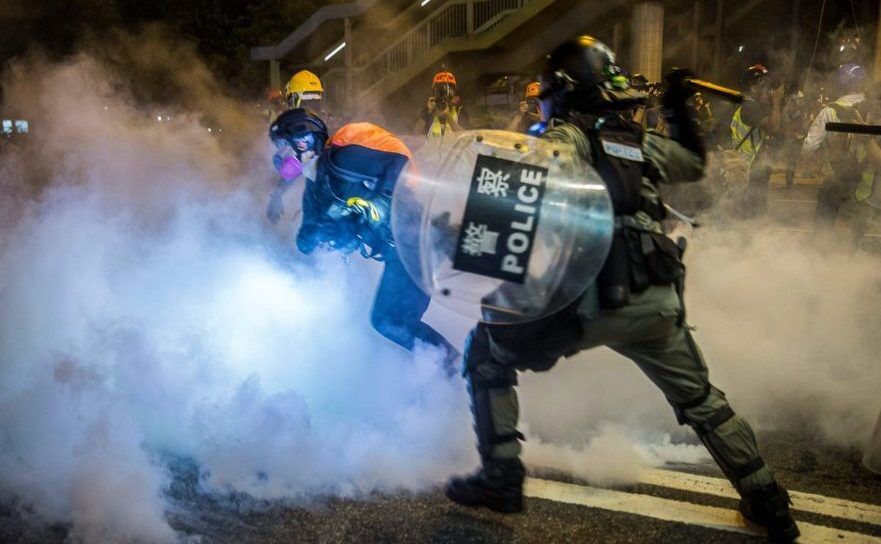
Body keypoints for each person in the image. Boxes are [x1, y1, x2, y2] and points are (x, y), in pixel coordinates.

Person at [443, 36, 800, 543]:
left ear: (564, 91)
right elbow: (694, 164)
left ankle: (501, 476)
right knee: (701, 400)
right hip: (656, 301)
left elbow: (528, 173)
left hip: (590, 300)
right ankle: (769, 504)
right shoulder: (637, 141)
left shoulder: (568, 136)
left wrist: (456, 222)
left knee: (486, 355)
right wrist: (676, 107)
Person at [267, 110, 457, 360]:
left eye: (283, 146)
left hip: (416, 237)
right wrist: (322, 232)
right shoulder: (317, 189)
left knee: (390, 320)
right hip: (399, 251)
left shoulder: (342, 159)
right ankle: (452, 371)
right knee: (390, 320)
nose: (279, 156)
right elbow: (306, 239)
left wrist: (384, 197)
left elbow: (397, 161)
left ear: (303, 140)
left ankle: (458, 370)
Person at [802, 63, 876, 242]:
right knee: (851, 247)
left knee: (822, 240)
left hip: (835, 185)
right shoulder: (875, 111)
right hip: (866, 191)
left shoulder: (829, 112)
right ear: (862, 84)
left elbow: (808, 148)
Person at [721, 64, 784, 219]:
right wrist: (776, 101)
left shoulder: (743, 104)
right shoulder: (750, 107)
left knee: (741, 218)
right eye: (765, 85)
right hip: (748, 172)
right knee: (748, 220)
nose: (769, 91)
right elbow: (774, 127)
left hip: (742, 170)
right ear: (754, 88)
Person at [414, 71, 469, 140]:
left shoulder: (461, 112)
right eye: (440, 91)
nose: (444, 95)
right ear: (434, 92)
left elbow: (466, 137)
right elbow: (416, 133)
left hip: (453, 150)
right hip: (432, 151)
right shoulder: (429, 111)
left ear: (454, 93)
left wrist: (449, 117)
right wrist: (426, 112)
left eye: (448, 91)